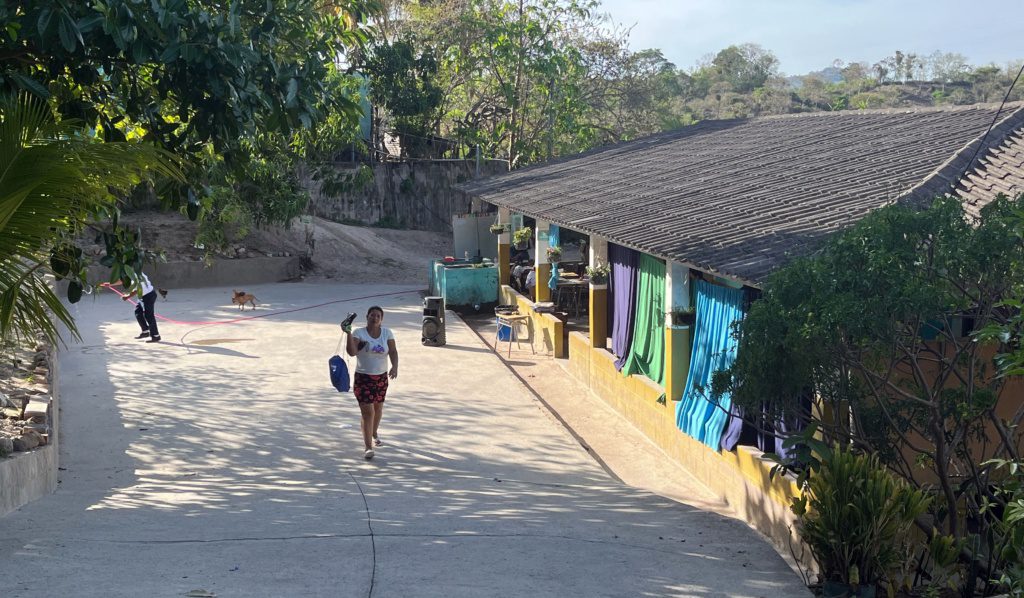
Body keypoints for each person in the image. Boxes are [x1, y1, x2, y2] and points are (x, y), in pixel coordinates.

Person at [342, 306, 399, 459]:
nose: (375, 318)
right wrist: (348, 333)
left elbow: (393, 351)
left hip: (381, 378)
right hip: (363, 378)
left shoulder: (387, 333)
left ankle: (373, 432)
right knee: (368, 413)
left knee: (378, 409)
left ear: (382, 319)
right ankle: (368, 447)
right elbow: (352, 352)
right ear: (367, 317)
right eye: (372, 315)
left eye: (378, 316)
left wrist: (395, 367)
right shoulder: (359, 333)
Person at [123, 272, 160, 343]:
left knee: (149, 316)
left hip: (149, 296)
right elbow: (122, 280)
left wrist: (127, 297)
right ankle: (145, 331)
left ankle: (156, 336)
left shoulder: (137, 276)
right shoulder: (131, 274)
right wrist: (110, 284)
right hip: (142, 296)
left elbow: (137, 290)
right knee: (138, 312)